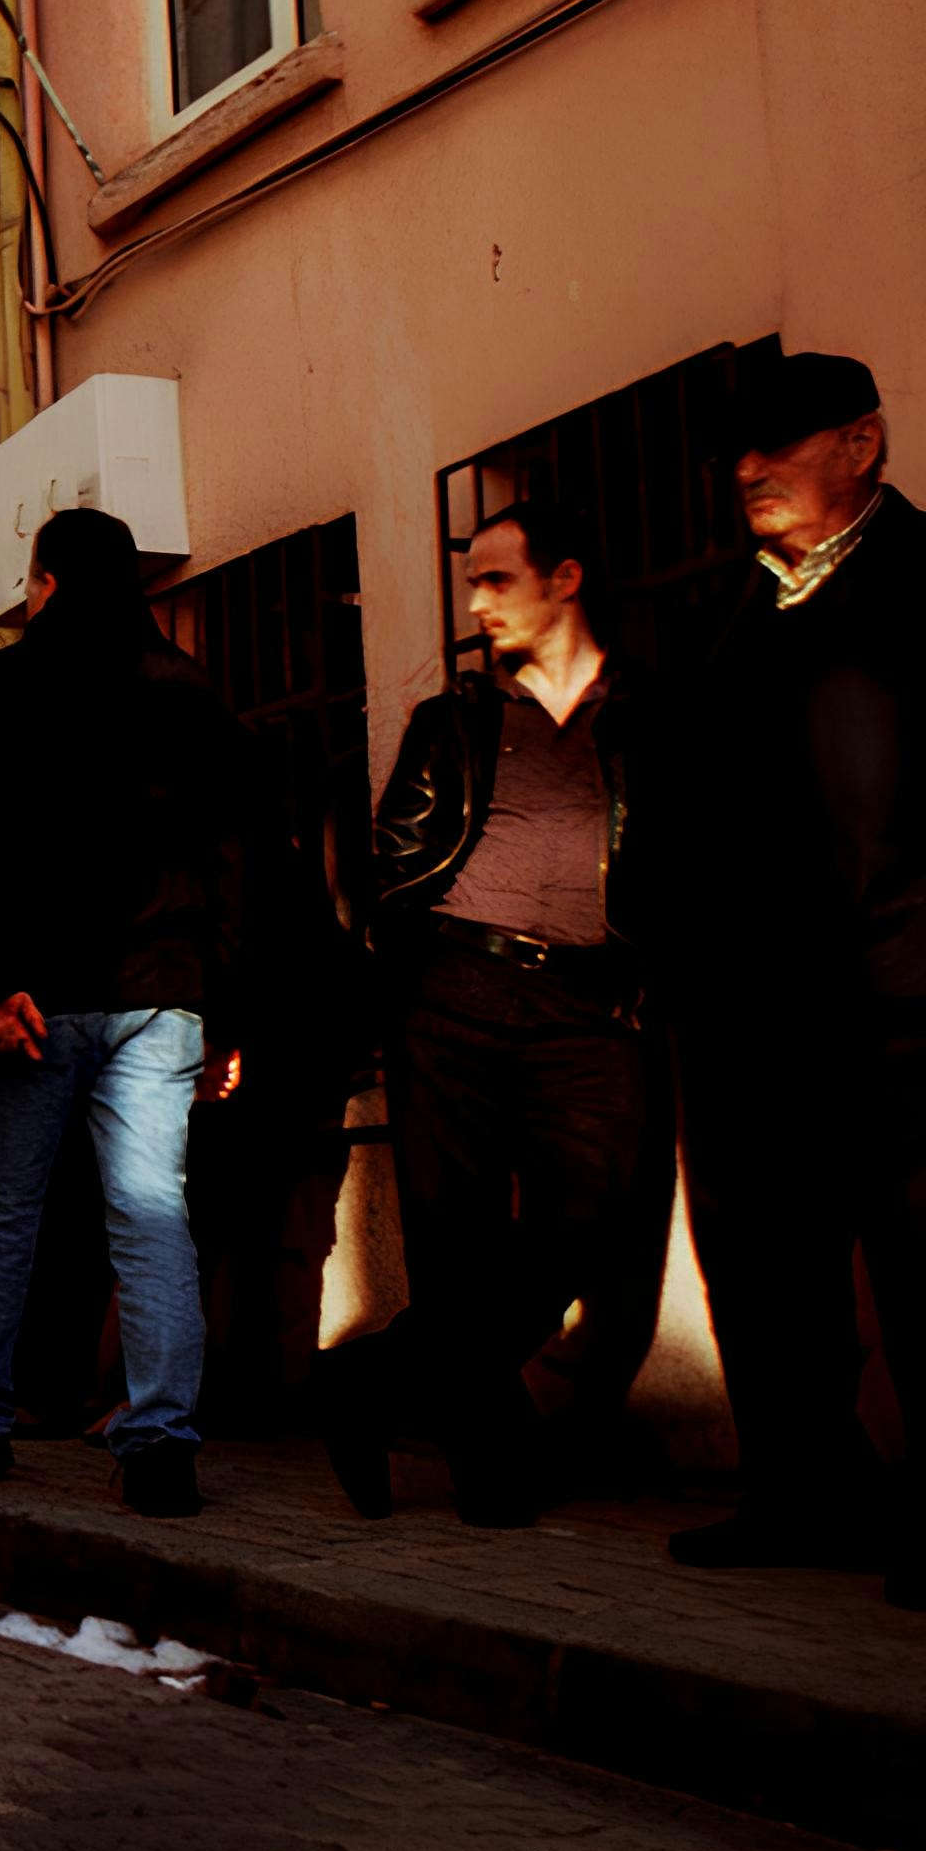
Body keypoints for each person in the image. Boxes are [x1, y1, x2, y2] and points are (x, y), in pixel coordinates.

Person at [663, 351, 926, 1609]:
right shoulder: (716, 618)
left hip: (919, 992)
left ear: (863, 442)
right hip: (757, 1014)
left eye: (781, 445)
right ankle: (804, 1492)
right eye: (738, 451)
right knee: (775, 1269)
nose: (749, 471)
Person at [0, 506, 264, 1520]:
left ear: (50, 582)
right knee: (153, 1217)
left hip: (35, 994)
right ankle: (159, 1445)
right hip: (163, 994)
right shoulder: (191, 691)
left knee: (1, 1207)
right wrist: (223, 1008)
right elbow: (236, 859)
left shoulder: (10, 681)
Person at [335, 502, 649, 1529]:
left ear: (567, 577)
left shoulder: (643, 713)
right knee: (456, 1240)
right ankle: (490, 1466)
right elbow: (394, 856)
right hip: (458, 992)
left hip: (588, 1003)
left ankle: (372, 1382)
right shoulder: (456, 719)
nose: (475, 602)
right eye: (472, 581)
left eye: (498, 579)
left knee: (589, 1225)